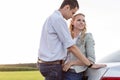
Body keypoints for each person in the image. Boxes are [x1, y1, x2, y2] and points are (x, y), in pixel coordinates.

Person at [37, 0, 106, 80]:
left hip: (51, 66)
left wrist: (72, 63)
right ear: (67, 7)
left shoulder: (51, 18)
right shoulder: (58, 20)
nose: (71, 16)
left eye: (83, 20)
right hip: (53, 66)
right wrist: (90, 65)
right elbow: (71, 47)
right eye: (72, 13)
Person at [63, 13, 96, 80]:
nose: (82, 22)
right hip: (60, 71)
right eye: (79, 20)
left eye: (83, 21)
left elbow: (91, 60)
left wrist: (71, 63)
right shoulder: (66, 36)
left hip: (73, 73)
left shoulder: (87, 37)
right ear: (72, 22)